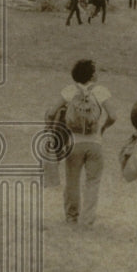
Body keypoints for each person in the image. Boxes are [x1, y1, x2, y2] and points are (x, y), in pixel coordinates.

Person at [45, 59, 116, 227]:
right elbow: (113, 116)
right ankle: (88, 219)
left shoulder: (69, 91)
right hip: (94, 143)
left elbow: (51, 112)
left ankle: (71, 216)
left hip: (73, 142)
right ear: (92, 75)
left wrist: (51, 129)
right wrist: (103, 128)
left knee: (72, 180)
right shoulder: (101, 91)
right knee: (92, 182)